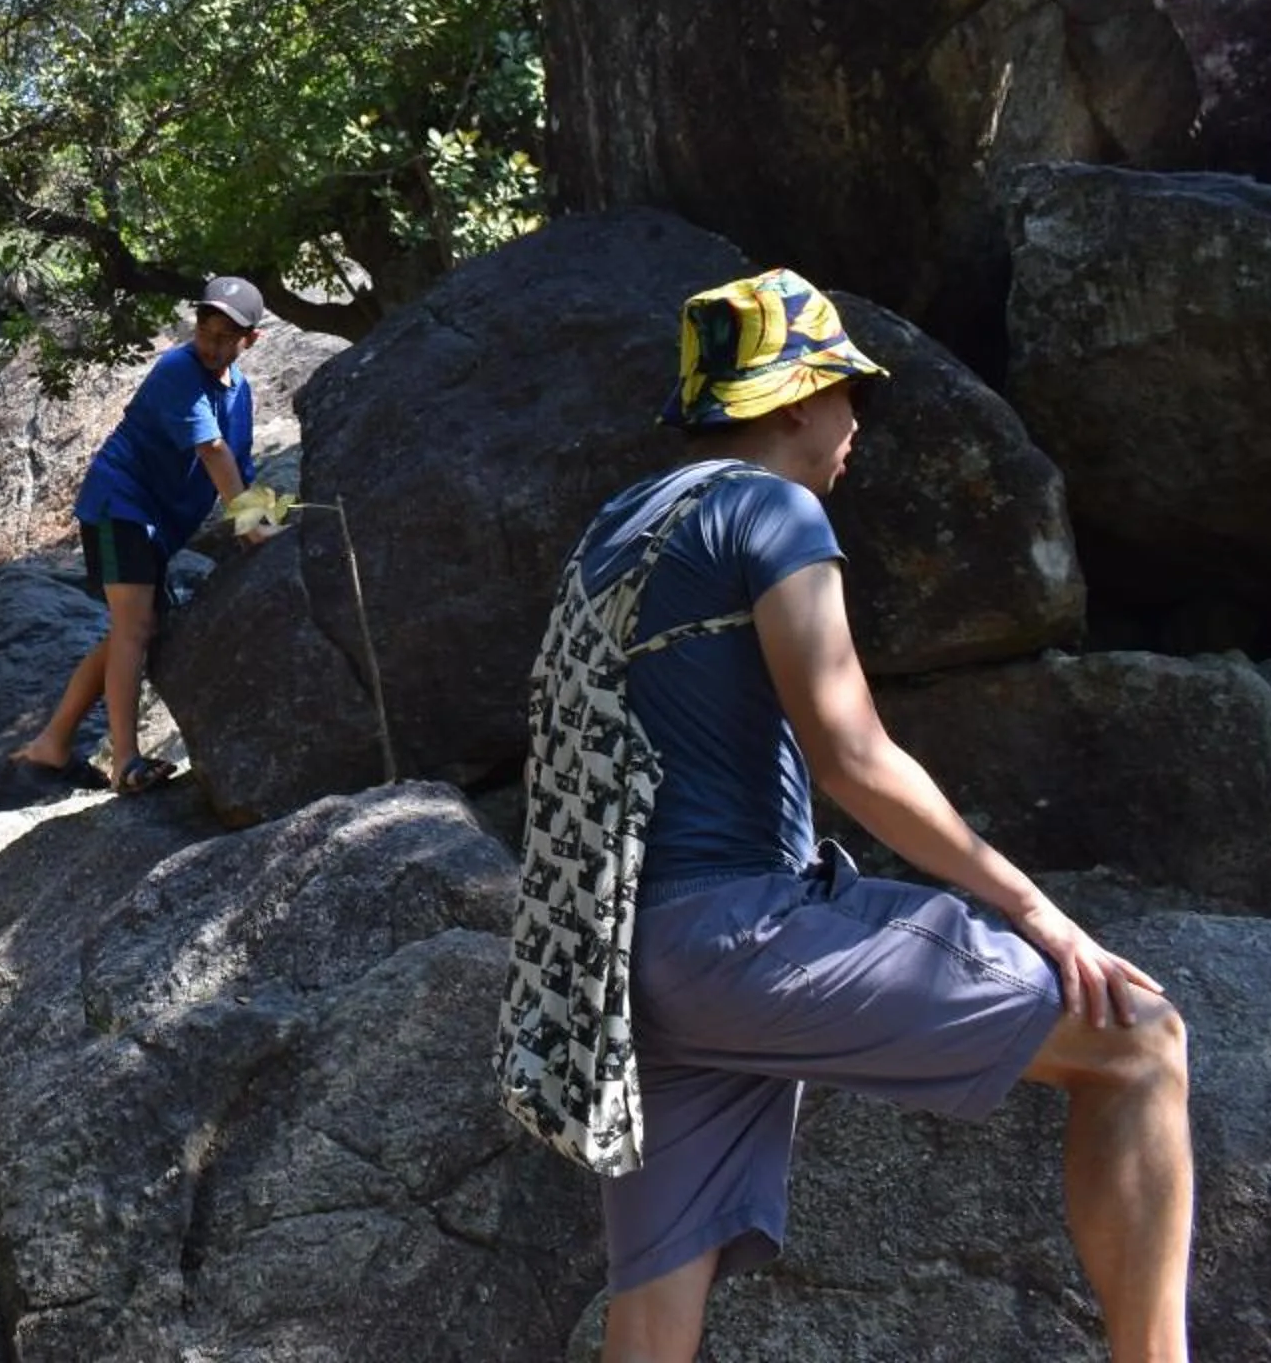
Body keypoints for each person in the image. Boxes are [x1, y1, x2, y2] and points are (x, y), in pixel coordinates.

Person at [497, 269, 1192, 1363]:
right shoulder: (772, 507)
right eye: (845, 390)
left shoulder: (618, 527)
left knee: (654, 1311)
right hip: (742, 933)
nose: (855, 418)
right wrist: (1037, 911)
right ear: (796, 398)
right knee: (1140, 1039)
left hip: (629, 976)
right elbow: (850, 750)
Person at [11, 274, 269, 794]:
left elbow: (240, 464)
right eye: (206, 331)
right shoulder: (178, 370)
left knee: (135, 629)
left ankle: (51, 743)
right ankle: (125, 762)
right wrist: (250, 526)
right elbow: (213, 452)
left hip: (153, 523)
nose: (212, 345)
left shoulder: (240, 392)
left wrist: (265, 524)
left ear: (250, 341)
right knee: (135, 628)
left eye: (225, 337)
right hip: (117, 506)